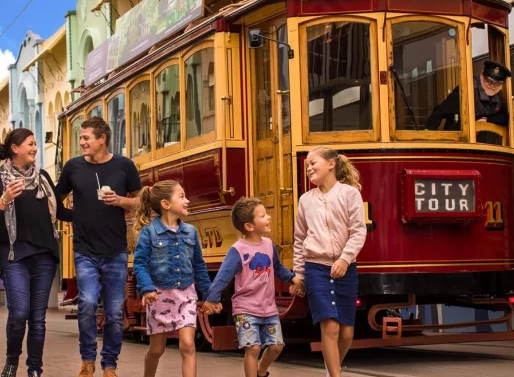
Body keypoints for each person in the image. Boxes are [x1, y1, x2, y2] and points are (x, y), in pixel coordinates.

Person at [0, 128, 72, 377]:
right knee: (19, 313)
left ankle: (35, 370)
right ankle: (12, 361)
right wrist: (4, 199)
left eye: (35, 144)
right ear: (15, 148)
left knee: (38, 318)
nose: (34, 148)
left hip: (44, 254)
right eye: (30, 144)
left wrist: (95, 212)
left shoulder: (42, 177)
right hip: (13, 255)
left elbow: (61, 212)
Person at [55, 117, 142, 377]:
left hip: (115, 250)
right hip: (84, 251)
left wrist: (120, 201)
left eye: (86, 138)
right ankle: (87, 360)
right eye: (80, 138)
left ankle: (110, 365)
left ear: (102, 139)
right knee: (88, 302)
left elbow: (139, 202)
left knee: (115, 311)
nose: (81, 143)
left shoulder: (124, 166)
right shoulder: (73, 168)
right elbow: (55, 201)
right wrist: (74, 217)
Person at [203, 197, 304, 377]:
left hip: (269, 309)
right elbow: (222, 277)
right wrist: (212, 298)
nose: (269, 218)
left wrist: (293, 279)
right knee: (253, 347)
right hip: (245, 309)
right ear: (249, 226)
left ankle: (260, 372)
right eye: (263, 215)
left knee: (276, 346)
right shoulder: (238, 250)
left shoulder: (268, 245)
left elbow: (278, 267)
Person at [293, 147, 367, 377]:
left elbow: (358, 231)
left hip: (346, 268)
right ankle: (335, 375)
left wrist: (345, 259)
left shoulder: (349, 194)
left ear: (331, 164)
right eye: (306, 166)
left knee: (346, 332)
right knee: (330, 325)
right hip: (316, 268)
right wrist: (299, 274)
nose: (309, 168)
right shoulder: (305, 200)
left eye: (313, 163)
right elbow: (299, 239)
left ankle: (331, 370)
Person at [132, 180, 211, 377]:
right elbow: (140, 264)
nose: (187, 201)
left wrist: (211, 296)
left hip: (186, 295)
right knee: (157, 350)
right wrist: (147, 288)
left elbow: (199, 266)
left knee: (187, 345)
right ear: (166, 204)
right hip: (158, 297)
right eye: (182, 196)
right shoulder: (149, 233)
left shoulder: (191, 232)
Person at [426, 60, 511, 142]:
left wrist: (486, 120)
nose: (492, 86)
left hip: (483, 147)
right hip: (457, 144)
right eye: (488, 81)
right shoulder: (466, 90)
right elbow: (439, 111)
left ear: (501, 85)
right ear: (481, 76)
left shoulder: (498, 96)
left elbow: (505, 117)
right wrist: (427, 136)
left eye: (497, 83)